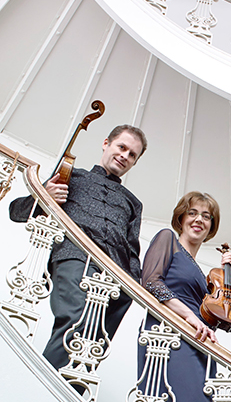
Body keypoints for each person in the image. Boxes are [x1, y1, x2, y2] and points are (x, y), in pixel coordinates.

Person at [9, 125, 147, 369]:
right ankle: (42, 385)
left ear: (135, 162)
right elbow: (17, 211)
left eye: (132, 154)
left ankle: (65, 399)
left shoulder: (133, 202)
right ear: (106, 143)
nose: (125, 155)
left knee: (94, 345)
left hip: (117, 279)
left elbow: (131, 249)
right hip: (74, 257)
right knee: (76, 321)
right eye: (121, 147)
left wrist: (135, 285)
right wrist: (44, 196)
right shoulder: (73, 175)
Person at [139, 191, 231, 402]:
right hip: (167, 336)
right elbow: (150, 282)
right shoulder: (168, 239)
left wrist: (229, 278)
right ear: (181, 216)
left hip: (196, 343)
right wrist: (190, 318)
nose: (199, 220)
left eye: (207, 216)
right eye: (193, 212)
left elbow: (221, 318)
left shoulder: (204, 273)